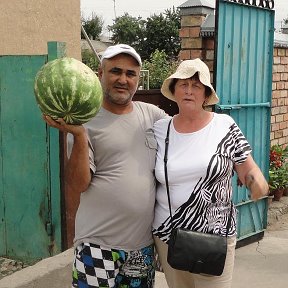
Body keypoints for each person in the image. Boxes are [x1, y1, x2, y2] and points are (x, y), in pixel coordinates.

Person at [43, 44, 167, 288]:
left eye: (130, 74)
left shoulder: (153, 116)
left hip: (141, 247)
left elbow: (187, 135)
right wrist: (79, 135)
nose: (123, 79)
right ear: (100, 74)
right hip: (97, 246)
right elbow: (79, 184)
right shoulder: (84, 120)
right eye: (115, 71)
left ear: (138, 79)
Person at [152, 58, 269, 288]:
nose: (188, 91)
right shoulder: (159, 129)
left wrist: (256, 182)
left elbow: (248, 169)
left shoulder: (224, 126)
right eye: (183, 84)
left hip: (214, 239)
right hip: (168, 237)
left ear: (206, 94)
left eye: (196, 86)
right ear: (174, 90)